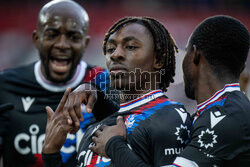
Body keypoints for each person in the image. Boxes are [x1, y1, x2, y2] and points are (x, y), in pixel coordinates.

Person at [90, 15, 250, 167]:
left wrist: (113, 145)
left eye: (185, 52)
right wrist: (98, 101)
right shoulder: (229, 110)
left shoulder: (224, 117)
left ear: (194, 55)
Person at [42, 16, 192, 166]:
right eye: (110, 49)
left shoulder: (170, 117)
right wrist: (51, 153)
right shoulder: (96, 127)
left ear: (158, 60)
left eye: (131, 46)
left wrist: (115, 146)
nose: (115, 55)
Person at [0, 0, 118, 166]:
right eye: (52, 34)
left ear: (85, 44)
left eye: (73, 36)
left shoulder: (109, 86)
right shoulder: (5, 87)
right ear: (36, 39)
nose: (62, 44)